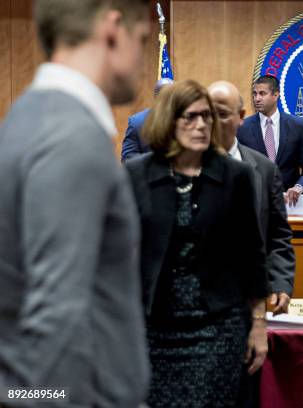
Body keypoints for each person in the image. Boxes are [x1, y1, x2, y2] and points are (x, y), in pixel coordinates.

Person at [0, 0, 150, 406]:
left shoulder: (25, 120)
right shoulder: (72, 137)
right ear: (113, 27)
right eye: (143, 40)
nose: (142, 59)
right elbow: (57, 316)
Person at [124, 79, 268, 407]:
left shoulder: (236, 176)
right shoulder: (135, 175)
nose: (201, 125)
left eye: (207, 117)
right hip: (153, 328)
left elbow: (253, 257)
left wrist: (259, 323)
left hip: (218, 327)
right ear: (168, 121)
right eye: (190, 117)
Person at [208, 79, 296, 407]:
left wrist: (282, 282)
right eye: (207, 114)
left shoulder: (263, 168)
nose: (212, 123)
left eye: (221, 114)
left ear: (241, 117)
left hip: (247, 310)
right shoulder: (185, 167)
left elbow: (277, 236)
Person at [237, 75, 303, 205]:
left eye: (262, 94)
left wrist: (299, 187)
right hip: (254, 203)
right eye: (255, 94)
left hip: (289, 204)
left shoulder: (297, 126)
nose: (257, 98)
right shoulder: (242, 127)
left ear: (275, 95)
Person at [121, 77, 174, 161]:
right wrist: (156, 159)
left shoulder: (185, 119)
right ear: (156, 97)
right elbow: (128, 158)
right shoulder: (137, 122)